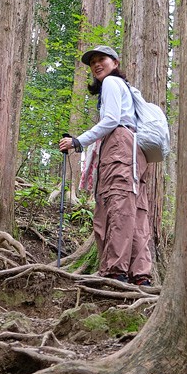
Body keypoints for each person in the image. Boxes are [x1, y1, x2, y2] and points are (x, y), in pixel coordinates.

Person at [59, 46, 152, 287]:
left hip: (120, 147)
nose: (96, 65)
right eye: (92, 63)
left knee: (117, 206)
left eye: (102, 60)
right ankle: (140, 274)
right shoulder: (126, 89)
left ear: (115, 62)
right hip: (135, 152)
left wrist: (78, 141)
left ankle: (114, 271)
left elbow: (111, 119)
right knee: (136, 209)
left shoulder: (111, 83)